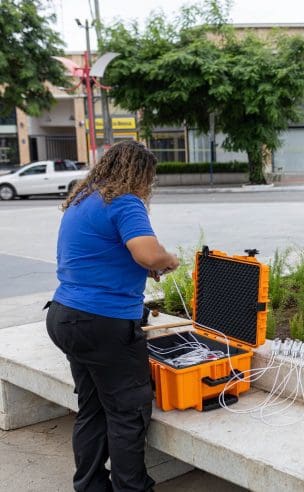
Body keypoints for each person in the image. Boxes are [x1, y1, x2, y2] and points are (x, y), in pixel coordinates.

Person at [46, 140, 179, 491]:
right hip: (102, 323)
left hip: (65, 316)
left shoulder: (82, 200)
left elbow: (101, 254)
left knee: (92, 408)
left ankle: (90, 485)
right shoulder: (124, 201)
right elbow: (149, 255)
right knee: (127, 412)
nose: (148, 187)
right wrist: (168, 260)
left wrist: (140, 266)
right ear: (139, 174)